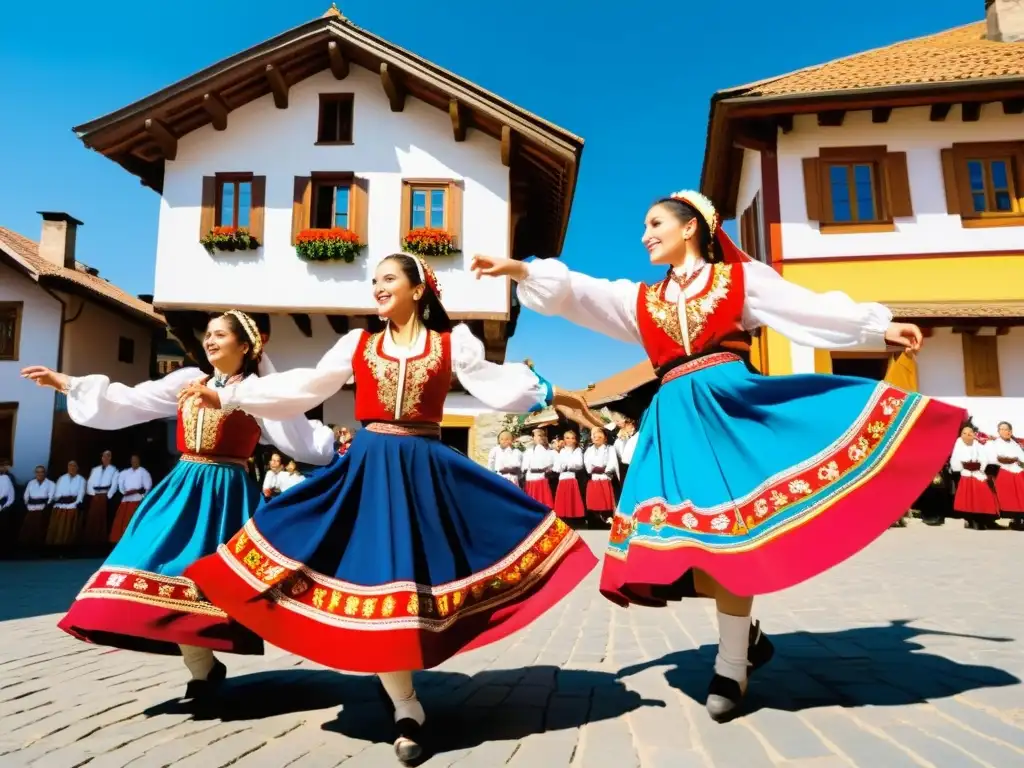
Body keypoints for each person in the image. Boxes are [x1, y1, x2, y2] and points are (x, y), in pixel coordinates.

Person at [471, 190, 965, 722]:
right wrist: (522, 269)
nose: (644, 235)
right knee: (691, 547)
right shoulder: (641, 300)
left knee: (733, 538)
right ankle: (747, 636)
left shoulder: (739, 282)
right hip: (677, 421)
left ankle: (731, 662)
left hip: (732, 407)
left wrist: (876, 327)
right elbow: (583, 293)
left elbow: (803, 306)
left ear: (690, 228)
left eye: (654, 223)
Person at [183, 254, 598, 765]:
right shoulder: (357, 344)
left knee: (418, 580)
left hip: (427, 472)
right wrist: (230, 397)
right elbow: (306, 385)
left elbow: (494, 383)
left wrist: (554, 393)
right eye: (373, 280)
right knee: (380, 578)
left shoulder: (452, 344)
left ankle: (404, 698)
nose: (377, 287)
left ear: (418, 289)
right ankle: (407, 708)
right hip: (370, 470)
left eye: (387, 279)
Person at [21, 310, 336, 699]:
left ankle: (204, 670)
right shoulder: (187, 381)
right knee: (149, 563)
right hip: (182, 488)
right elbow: (131, 400)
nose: (210, 340)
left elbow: (297, 434)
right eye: (209, 334)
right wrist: (66, 383)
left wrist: (339, 448)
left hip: (227, 495)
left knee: (207, 583)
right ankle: (201, 666)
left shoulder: (256, 391)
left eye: (221, 335)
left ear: (245, 345)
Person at [951, 424, 999, 530]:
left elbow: (984, 458)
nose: (967, 435)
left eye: (970, 433)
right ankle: (971, 520)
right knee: (968, 499)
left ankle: (983, 519)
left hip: (978, 473)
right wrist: (962, 466)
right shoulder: (959, 443)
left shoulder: (977, 444)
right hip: (966, 473)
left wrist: (980, 467)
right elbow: (955, 458)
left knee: (984, 494)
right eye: (964, 433)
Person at [110, 454, 152, 543]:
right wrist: (123, 492)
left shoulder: (143, 472)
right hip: (126, 499)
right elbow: (120, 484)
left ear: (139, 461)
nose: (134, 462)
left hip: (137, 499)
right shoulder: (125, 472)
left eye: (136, 460)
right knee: (121, 521)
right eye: (133, 460)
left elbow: (148, 486)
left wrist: (143, 496)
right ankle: (121, 541)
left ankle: (135, 539)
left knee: (134, 520)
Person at [990, 421, 1024, 530]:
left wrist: (1018, 461)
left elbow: (1021, 458)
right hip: (1003, 470)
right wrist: (1014, 459)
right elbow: (999, 458)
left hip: (1017, 471)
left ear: (1011, 431)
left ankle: (1018, 520)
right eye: (1002, 429)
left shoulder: (1015, 444)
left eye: (1007, 429)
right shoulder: (996, 443)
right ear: (998, 431)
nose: (1005, 431)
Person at [82, 450, 119, 548]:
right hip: (95, 495)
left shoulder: (114, 470)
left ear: (110, 458)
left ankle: (102, 541)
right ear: (101, 458)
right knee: (92, 518)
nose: (105, 458)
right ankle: (90, 540)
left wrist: (108, 495)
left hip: (105, 495)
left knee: (104, 518)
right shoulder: (95, 469)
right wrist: (92, 494)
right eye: (104, 456)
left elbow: (115, 484)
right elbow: (89, 482)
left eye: (108, 456)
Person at [584, 425, 619, 526]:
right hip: (594, 479)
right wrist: (593, 469)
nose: (596, 437)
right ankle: (596, 522)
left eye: (599, 435)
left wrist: (605, 469)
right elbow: (588, 465)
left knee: (607, 504)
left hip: (605, 479)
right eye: (594, 436)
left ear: (605, 437)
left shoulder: (610, 448)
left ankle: (608, 521)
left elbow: (612, 463)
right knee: (595, 505)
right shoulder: (589, 450)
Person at [46, 461, 86, 550]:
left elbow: (81, 493)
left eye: (74, 466)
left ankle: (67, 546)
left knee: (69, 527)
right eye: (70, 466)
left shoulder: (81, 479)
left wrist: (76, 503)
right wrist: (57, 500)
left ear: (77, 468)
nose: (72, 468)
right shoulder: (62, 478)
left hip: (72, 505)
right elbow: (57, 492)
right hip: (60, 504)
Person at [19, 466, 54, 553]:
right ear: (35, 473)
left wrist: (45, 506)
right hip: (31, 509)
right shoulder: (31, 483)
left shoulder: (50, 484)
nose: (39, 474)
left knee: (40, 530)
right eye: (37, 472)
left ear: (45, 473)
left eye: (41, 472)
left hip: (42, 510)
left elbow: (51, 497)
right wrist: (28, 505)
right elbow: (26, 496)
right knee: (27, 530)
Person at [553, 430, 585, 522]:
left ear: (575, 440)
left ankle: (574, 518)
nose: (570, 440)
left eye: (572, 438)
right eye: (567, 438)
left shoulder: (577, 450)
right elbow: (556, 466)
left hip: (572, 477)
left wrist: (566, 465)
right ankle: (564, 517)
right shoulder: (562, 451)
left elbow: (579, 464)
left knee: (573, 499)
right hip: (562, 478)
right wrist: (563, 466)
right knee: (562, 499)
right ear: (564, 439)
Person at [521, 428, 556, 505]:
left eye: (543, 435)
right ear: (533, 438)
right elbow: (524, 467)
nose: (542, 437)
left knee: (544, 503)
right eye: (539, 435)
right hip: (531, 481)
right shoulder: (528, 452)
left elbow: (550, 465)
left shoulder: (549, 451)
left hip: (542, 480)